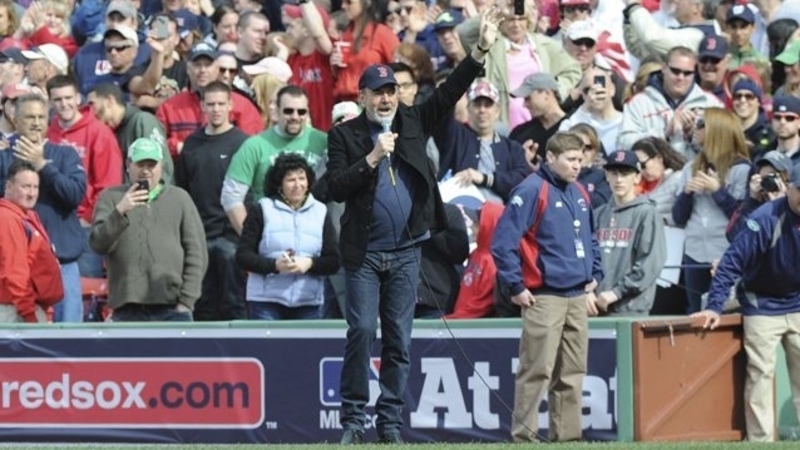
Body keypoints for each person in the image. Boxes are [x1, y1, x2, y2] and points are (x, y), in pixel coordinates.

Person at [325, 7, 503, 444]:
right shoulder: (345, 136)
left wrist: (479, 49)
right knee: (363, 331)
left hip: (407, 252)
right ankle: (352, 421)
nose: (386, 98)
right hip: (363, 253)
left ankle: (388, 423)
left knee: (399, 341)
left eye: (391, 91)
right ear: (363, 97)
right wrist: (370, 159)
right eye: (378, 92)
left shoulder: (411, 120)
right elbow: (332, 188)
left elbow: (451, 91)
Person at [490, 131, 602, 442]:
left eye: (580, 159)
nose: (577, 166)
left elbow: (591, 237)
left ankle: (566, 437)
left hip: (577, 294)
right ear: (550, 158)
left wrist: (595, 272)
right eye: (570, 160)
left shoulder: (579, 191)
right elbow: (503, 243)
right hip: (544, 296)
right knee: (535, 371)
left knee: (572, 372)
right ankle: (524, 437)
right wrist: (515, 285)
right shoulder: (530, 190)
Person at [692, 163, 800, 442]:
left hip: (798, 303)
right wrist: (715, 305)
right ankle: (761, 440)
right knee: (761, 374)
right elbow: (731, 262)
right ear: (789, 188)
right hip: (762, 303)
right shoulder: (765, 218)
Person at [90, 138, 208, 322]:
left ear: (161, 166)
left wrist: (187, 300)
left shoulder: (180, 199)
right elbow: (98, 244)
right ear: (128, 165)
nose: (146, 170)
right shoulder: (111, 198)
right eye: (140, 164)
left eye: (151, 164)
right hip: (127, 308)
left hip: (172, 308)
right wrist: (120, 211)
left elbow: (197, 253)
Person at [0, 93, 87, 324]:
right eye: (29, 117)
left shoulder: (65, 155)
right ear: (15, 121)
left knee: (70, 346)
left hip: (62, 267)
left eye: (41, 117)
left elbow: (75, 195)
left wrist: (42, 166)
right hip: (16, 272)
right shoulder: (2, 159)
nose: (36, 123)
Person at [176, 81, 250, 321]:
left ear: (230, 105)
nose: (216, 109)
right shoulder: (191, 144)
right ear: (202, 107)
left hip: (232, 238)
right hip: (199, 237)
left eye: (221, 103)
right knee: (202, 305)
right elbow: (183, 190)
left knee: (235, 303)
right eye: (211, 104)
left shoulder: (243, 143)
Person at [236, 152, 340, 320]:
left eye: (302, 178)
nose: (297, 184)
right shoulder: (262, 209)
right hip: (265, 302)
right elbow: (243, 256)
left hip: (309, 302)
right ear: (279, 184)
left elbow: (333, 261)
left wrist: (310, 263)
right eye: (291, 179)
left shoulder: (321, 211)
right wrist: (275, 265)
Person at [672, 107, 751, 313]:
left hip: (727, 253)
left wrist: (718, 191)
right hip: (694, 252)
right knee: (695, 311)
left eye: (701, 124)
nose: (694, 129)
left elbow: (743, 221)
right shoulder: (690, 168)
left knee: (728, 312)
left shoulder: (741, 169)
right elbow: (678, 218)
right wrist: (686, 194)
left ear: (716, 130)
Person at [222, 85, 327, 235]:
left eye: (301, 111)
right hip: (269, 233)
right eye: (288, 111)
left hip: (313, 234)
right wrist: (251, 239)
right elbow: (231, 196)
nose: (295, 117)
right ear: (276, 112)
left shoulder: (324, 142)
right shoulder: (254, 146)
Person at [45, 75, 123, 279]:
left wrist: (89, 218)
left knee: (85, 288)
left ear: (78, 98)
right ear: (50, 102)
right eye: (58, 99)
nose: (64, 104)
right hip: (51, 223)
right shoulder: (47, 133)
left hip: (83, 226)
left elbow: (109, 184)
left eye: (68, 98)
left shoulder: (99, 133)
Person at [432, 79, 531, 204]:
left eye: (488, 105)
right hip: (461, 211)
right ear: (468, 108)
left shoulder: (512, 148)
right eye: (477, 104)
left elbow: (522, 180)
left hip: (500, 215)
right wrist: (448, 90)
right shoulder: (454, 135)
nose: (482, 110)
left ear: (497, 111)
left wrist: (485, 178)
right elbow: (441, 116)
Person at [592, 150, 666, 316]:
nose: (619, 179)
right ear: (606, 176)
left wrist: (617, 292)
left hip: (630, 308)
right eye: (614, 173)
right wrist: (588, 291)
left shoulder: (647, 213)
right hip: (596, 307)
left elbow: (650, 263)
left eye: (625, 174)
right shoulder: (598, 214)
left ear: (637, 177)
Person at [617, 45, 722, 159]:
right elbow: (622, 145)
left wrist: (694, 137)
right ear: (664, 68)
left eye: (687, 73)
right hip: (652, 175)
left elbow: (724, 149)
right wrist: (664, 132)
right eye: (675, 71)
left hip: (695, 174)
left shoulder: (711, 103)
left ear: (694, 73)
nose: (680, 77)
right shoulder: (638, 103)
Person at [0, 160, 63, 323]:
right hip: (15, 312)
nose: (32, 193)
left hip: (26, 308)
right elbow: (14, 272)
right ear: (8, 187)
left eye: (35, 187)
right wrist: (30, 315)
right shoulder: (7, 218)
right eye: (25, 186)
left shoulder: (26, 216)